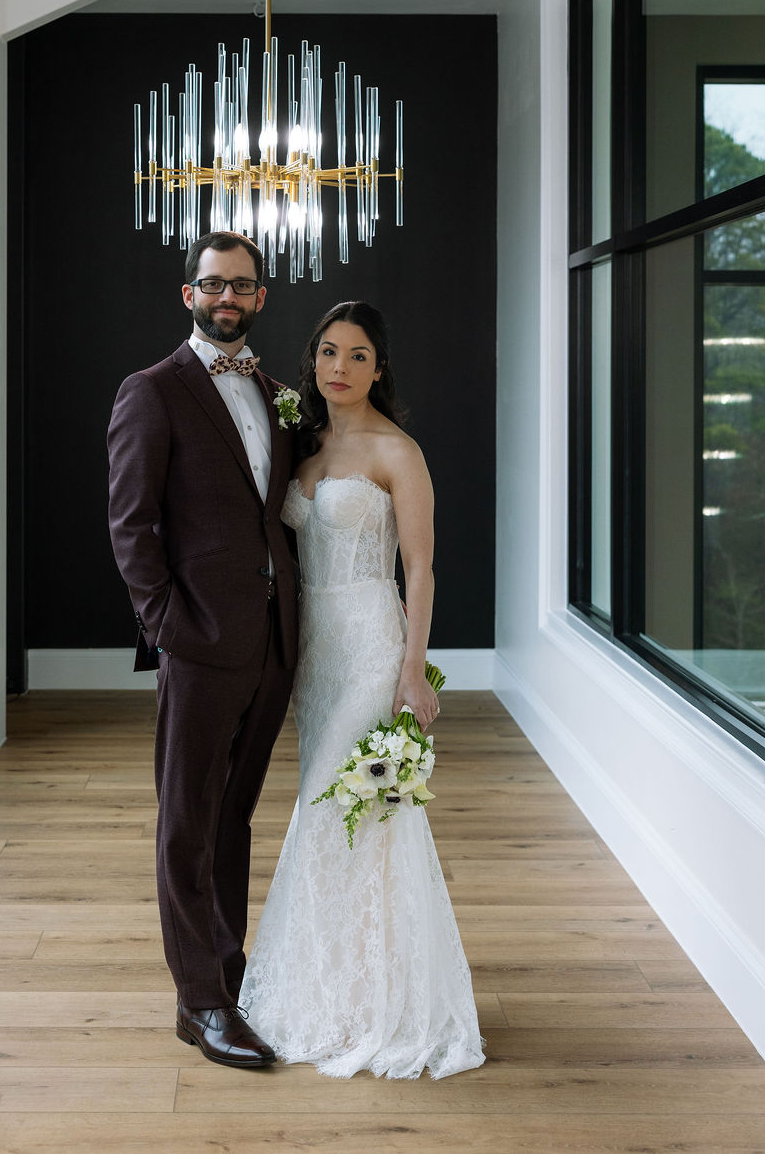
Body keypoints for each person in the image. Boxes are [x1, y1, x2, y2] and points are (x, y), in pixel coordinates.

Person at [239, 300, 485, 1080]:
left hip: (374, 643)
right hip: (316, 656)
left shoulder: (396, 450)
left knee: (334, 805)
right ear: (312, 362)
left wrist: (413, 667)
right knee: (354, 820)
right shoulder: (303, 447)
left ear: (380, 368)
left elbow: (422, 566)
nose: (338, 367)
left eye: (356, 355)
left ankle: (372, 1002)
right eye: (327, 352)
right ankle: (349, 981)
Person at [107, 231, 299, 1070]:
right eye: (214, 284)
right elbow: (131, 525)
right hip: (199, 641)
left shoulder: (278, 391)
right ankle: (200, 1003)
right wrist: (168, 628)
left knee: (234, 817)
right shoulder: (151, 391)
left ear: (260, 298)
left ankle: (228, 967)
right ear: (189, 294)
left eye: (243, 286)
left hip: (274, 642)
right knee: (186, 823)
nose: (229, 298)